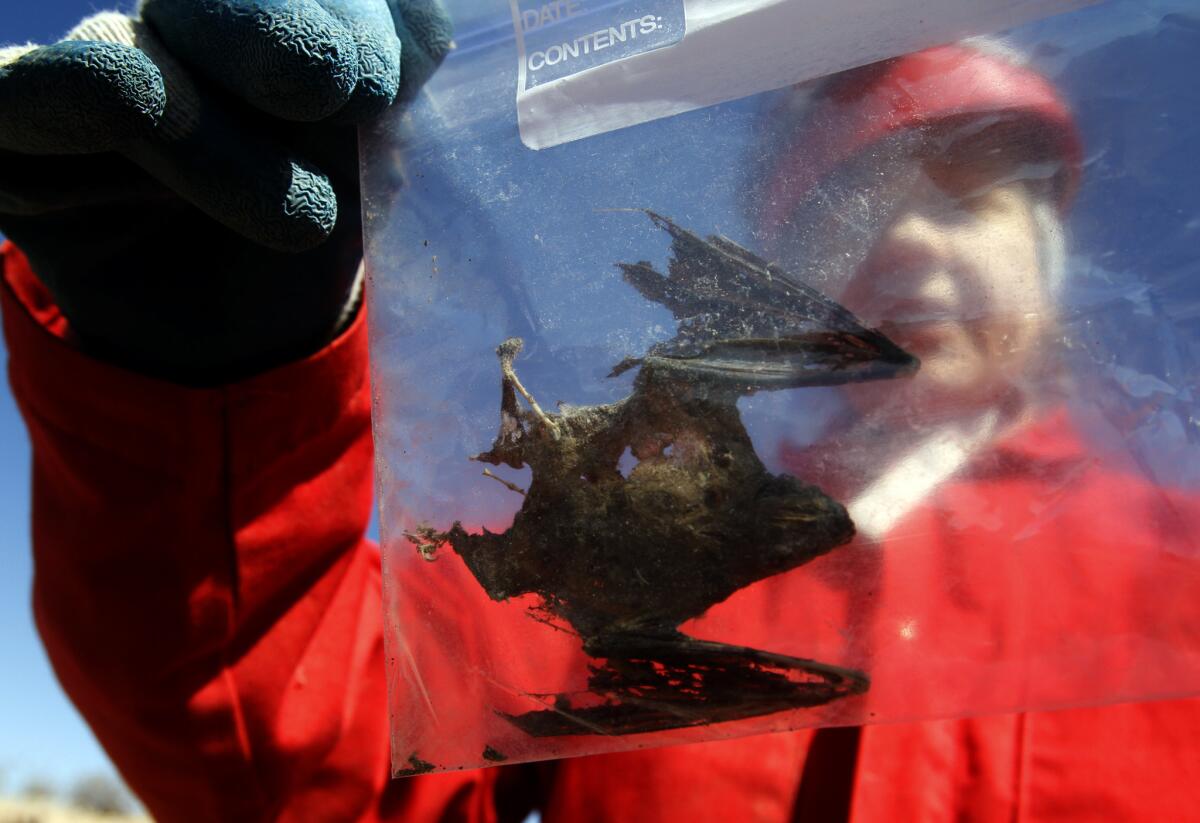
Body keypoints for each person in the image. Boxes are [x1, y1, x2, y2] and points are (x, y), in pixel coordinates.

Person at [1, 4, 1198, 822]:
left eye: (974, 194)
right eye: (854, 202)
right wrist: (206, 380)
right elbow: (316, 757)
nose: (917, 239)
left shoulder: (1180, 566)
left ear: (1056, 250)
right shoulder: (647, 564)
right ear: (782, 276)